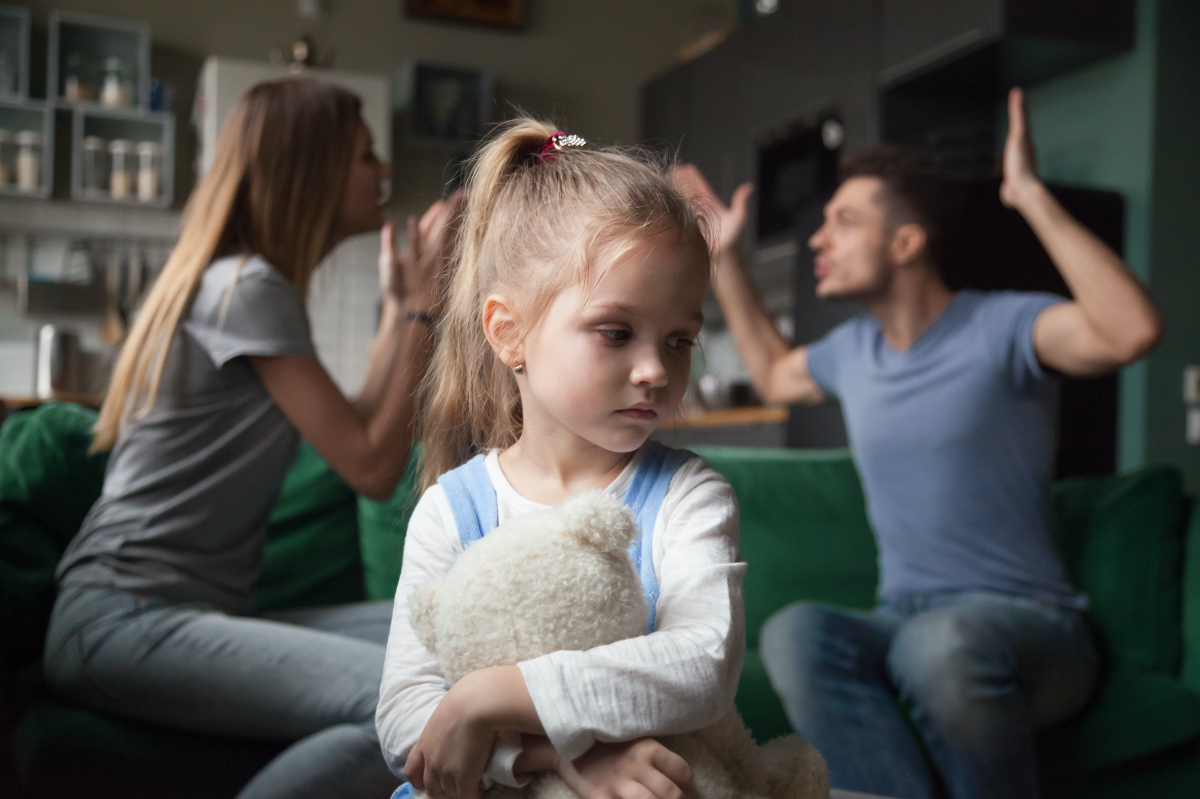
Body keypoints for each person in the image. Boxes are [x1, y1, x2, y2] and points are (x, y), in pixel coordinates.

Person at [672, 88, 1164, 799]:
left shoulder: (1003, 329)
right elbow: (776, 371)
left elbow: (1130, 331)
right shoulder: (854, 350)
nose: (818, 238)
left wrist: (1027, 194)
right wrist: (723, 256)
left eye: (844, 222)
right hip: (902, 616)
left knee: (939, 647)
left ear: (905, 243)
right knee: (796, 632)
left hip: (1034, 626)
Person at [43, 78, 460, 799]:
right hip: (122, 619)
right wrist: (428, 307)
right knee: (412, 708)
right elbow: (370, 465)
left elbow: (355, 418)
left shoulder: (251, 285)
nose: (384, 172)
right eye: (365, 157)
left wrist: (399, 311)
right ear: (314, 170)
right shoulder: (247, 285)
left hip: (187, 612)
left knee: (451, 628)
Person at [375, 119, 745, 799]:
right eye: (616, 332)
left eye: (679, 341)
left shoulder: (689, 494)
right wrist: (553, 758)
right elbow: (404, 715)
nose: (652, 370)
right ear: (508, 332)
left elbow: (704, 663)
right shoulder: (450, 510)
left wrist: (487, 698)